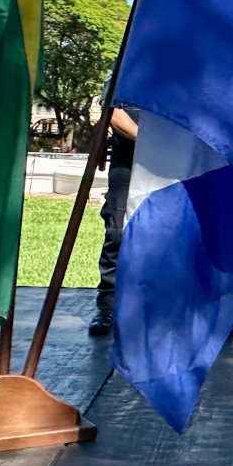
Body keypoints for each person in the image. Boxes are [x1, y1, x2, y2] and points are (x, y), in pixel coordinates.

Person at [88, 79, 140, 337]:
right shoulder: (125, 70)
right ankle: (109, 306)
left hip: (174, 164)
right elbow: (113, 113)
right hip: (128, 163)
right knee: (117, 232)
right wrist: (147, 142)